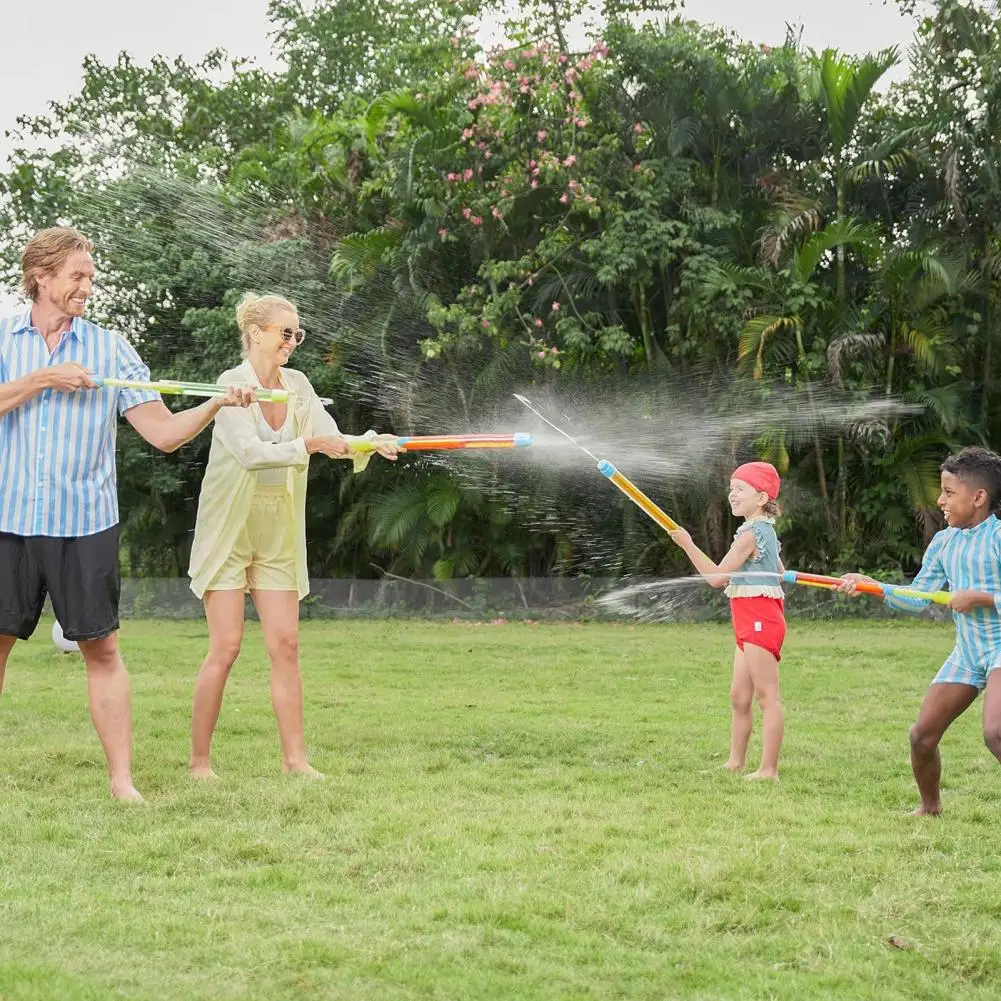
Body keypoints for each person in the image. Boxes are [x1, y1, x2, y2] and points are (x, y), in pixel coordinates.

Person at [0, 226, 255, 801]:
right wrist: (44, 379)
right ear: (41, 276)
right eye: (77, 277)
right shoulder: (3, 341)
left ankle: (122, 781)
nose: (87, 287)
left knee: (103, 649)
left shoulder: (110, 349)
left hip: (84, 523)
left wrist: (215, 404)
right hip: (7, 520)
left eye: (90, 277)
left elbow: (163, 434)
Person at [186, 292, 397, 780]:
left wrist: (369, 443)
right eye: (285, 332)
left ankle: (295, 761)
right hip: (229, 527)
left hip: (277, 529)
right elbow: (251, 454)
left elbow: (330, 436)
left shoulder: (298, 384)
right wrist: (310, 444)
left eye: (297, 333)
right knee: (226, 647)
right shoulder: (230, 385)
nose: (293, 341)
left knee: (286, 645)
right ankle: (199, 763)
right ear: (256, 333)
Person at [840, 446, 1001, 816]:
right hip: (969, 652)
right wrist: (873, 586)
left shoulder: (997, 538)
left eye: (949, 492)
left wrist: (981, 598)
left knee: (996, 732)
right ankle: (930, 809)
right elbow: (917, 598)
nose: (940, 501)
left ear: (978, 497)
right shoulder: (944, 542)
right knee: (922, 736)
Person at [669, 462, 786, 780]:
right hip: (748, 619)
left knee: (767, 697)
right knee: (739, 696)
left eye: (740, 489)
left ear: (761, 498)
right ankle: (736, 762)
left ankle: (768, 770)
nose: (732, 494)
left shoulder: (751, 534)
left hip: (760, 620)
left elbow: (716, 578)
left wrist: (688, 545)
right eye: (731, 488)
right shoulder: (763, 529)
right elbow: (779, 573)